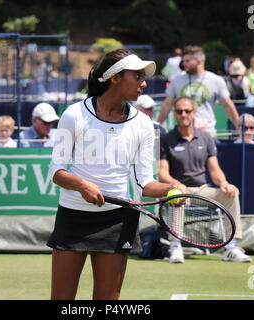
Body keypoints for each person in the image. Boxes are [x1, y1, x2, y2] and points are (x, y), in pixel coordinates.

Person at [47, 49, 179, 300]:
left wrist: (172, 190)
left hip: (118, 221)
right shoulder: (74, 114)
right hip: (72, 217)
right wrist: (82, 185)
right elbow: (56, 171)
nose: (144, 83)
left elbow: (145, 183)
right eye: (137, 76)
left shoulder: (143, 125)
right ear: (115, 78)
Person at [158, 96, 251, 263]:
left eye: (187, 111)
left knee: (232, 193)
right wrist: (176, 185)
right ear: (175, 114)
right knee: (176, 195)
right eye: (180, 111)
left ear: (194, 113)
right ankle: (175, 247)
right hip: (180, 190)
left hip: (202, 191)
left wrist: (224, 183)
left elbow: (214, 170)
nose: (184, 114)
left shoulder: (206, 138)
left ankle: (232, 247)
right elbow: (162, 173)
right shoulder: (166, 139)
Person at [156, 45, 240, 136]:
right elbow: (167, 104)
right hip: (183, 134)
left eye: (187, 61)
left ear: (199, 61)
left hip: (208, 134)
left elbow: (228, 105)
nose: (184, 64)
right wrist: (157, 127)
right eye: (184, 61)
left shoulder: (216, 80)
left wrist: (239, 128)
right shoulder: (177, 80)